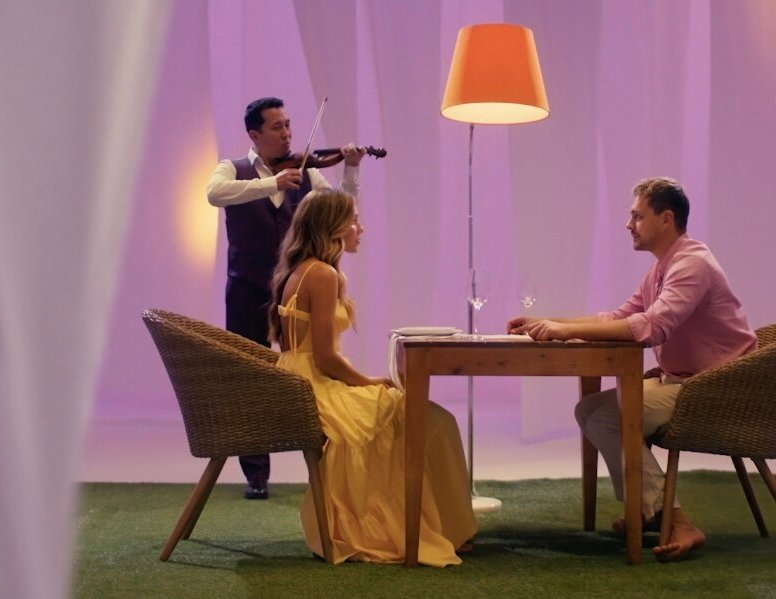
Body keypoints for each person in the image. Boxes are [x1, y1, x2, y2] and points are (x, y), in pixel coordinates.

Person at [507, 177, 757, 562]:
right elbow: (618, 317)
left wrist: (564, 331)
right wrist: (548, 322)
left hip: (718, 389)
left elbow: (652, 327)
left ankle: (675, 520)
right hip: (687, 382)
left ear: (666, 219)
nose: (629, 224)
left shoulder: (692, 264)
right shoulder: (663, 268)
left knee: (612, 417)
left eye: (638, 216)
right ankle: (649, 510)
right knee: (589, 409)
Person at [268, 188, 476, 566]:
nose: (360, 229)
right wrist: (369, 382)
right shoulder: (323, 274)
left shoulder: (303, 270)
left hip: (300, 379)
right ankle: (436, 527)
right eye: (354, 221)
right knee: (428, 420)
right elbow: (326, 358)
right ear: (333, 226)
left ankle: (438, 522)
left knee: (427, 418)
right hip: (313, 386)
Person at [207, 97, 366, 499]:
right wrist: (272, 183)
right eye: (277, 127)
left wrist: (351, 168)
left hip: (295, 291)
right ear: (254, 135)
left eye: (289, 125)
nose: (287, 134)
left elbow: (340, 212)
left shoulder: (307, 171)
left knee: (309, 367)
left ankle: (326, 458)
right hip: (247, 289)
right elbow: (215, 193)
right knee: (248, 376)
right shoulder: (234, 169)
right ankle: (256, 474)